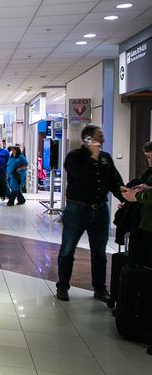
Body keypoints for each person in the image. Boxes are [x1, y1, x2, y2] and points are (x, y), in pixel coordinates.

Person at [55, 125, 125, 303]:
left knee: (99, 252)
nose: (102, 138)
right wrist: (93, 156)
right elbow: (81, 175)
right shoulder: (74, 157)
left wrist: (125, 196)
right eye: (99, 136)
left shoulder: (106, 158)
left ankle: (100, 289)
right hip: (76, 210)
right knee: (67, 250)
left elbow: (114, 181)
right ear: (87, 139)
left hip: (100, 210)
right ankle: (63, 286)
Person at [120, 141, 152, 267]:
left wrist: (136, 196)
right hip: (144, 223)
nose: (148, 161)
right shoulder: (148, 173)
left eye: (150, 157)